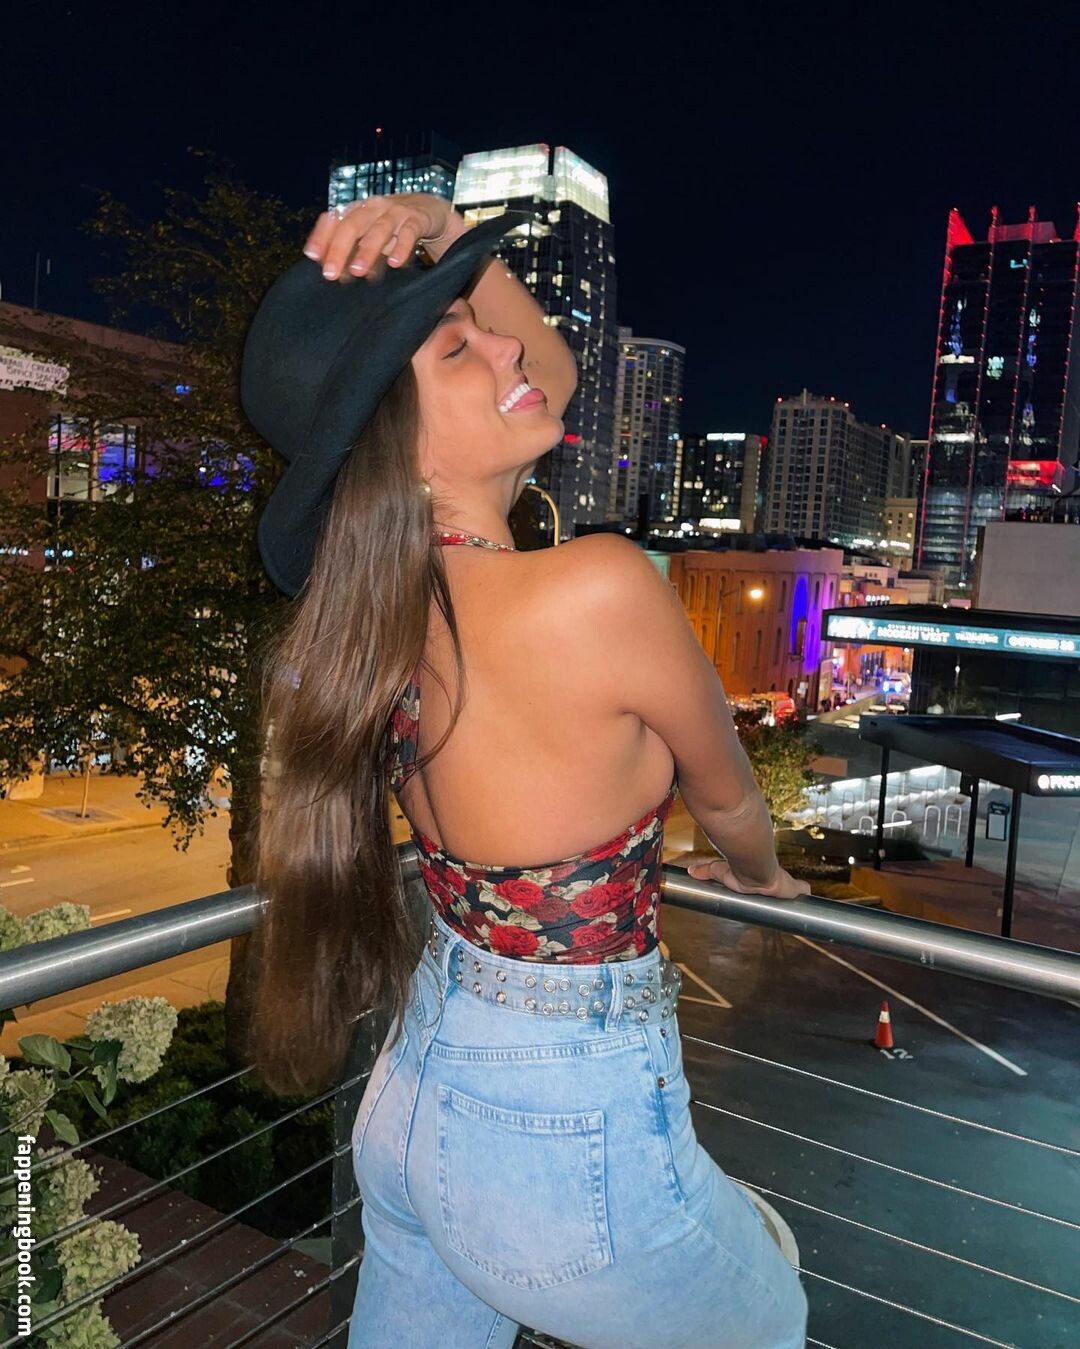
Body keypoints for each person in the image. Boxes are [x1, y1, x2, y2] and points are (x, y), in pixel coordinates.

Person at [241, 192, 809, 1349]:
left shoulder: (380, 620)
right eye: (459, 348)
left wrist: (450, 235)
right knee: (772, 1312)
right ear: (401, 452)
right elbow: (726, 793)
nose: (507, 347)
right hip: (560, 1131)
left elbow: (544, 368)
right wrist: (763, 876)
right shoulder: (596, 587)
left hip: (418, 1093)